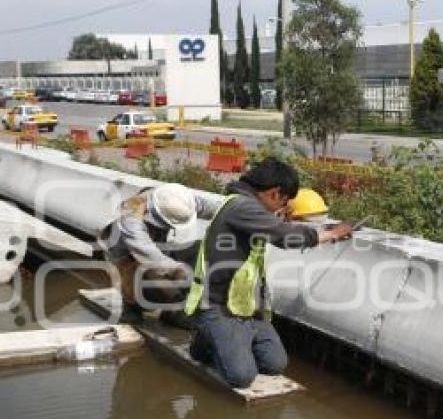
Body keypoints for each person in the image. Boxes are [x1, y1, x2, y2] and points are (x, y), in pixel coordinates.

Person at [184, 159, 353, 388]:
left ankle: (226, 340)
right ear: (274, 193)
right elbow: (284, 237)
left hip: (243, 306)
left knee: (275, 364)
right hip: (217, 306)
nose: (284, 207)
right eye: (284, 201)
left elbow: (276, 228)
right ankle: (205, 342)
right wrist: (331, 234)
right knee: (241, 377)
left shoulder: (247, 206)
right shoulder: (243, 207)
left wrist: (296, 225)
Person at [99, 183, 219, 320]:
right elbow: (149, 254)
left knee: (198, 249)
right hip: (126, 259)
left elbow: (215, 208)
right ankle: (130, 304)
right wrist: (178, 270)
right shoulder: (130, 218)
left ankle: (176, 307)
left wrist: (235, 210)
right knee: (152, 284)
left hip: (156, 245)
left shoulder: (176, 199)